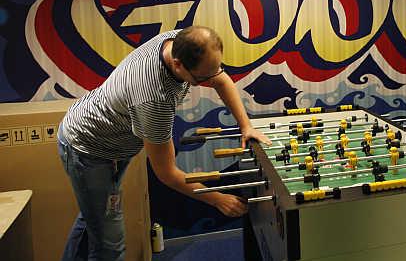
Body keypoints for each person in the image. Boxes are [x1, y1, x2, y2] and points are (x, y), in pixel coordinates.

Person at [57, 25, 271, 261]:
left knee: (93, 218)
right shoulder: (154, 98)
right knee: (109, 244)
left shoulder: (178, 39)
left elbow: (220, 80)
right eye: (202, 78)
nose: (211, 80)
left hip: (115, 142)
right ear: (178, 64)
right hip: (89, 148)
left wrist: (246, 126)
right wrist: (217, 199)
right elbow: (167, 173)